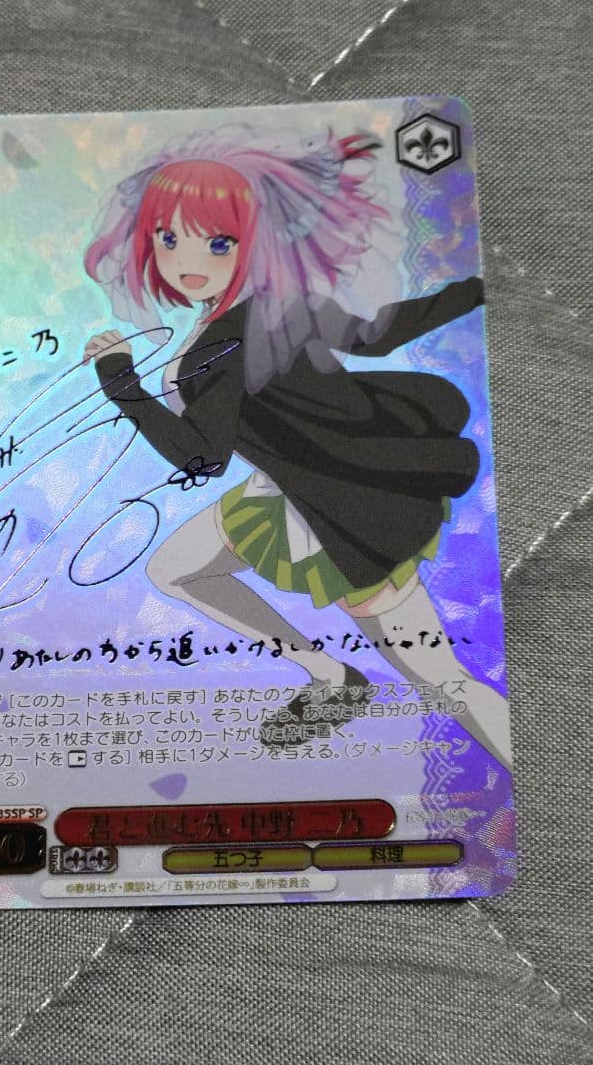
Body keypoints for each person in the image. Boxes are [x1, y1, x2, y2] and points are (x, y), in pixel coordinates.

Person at [82, 123, 511, 768]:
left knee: (444, 682)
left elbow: (202, 456)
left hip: (343, 518)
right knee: (173, 569)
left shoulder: (229, 340)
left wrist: (122, 384)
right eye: (168, 239)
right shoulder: (277, 305)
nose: (187, 261)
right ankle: (330, 675)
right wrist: (470, 291)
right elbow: (377, 335)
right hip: (288, 494)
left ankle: (527, 770)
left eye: (218, 242)